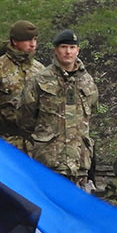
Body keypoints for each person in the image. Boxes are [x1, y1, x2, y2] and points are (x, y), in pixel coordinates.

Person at [17, 29, 98, 186]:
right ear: (55, 49)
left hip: (79, 164)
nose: (68, 52)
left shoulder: (87, 81)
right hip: (49, 162)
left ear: (78, 50)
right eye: (64, 47)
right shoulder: (40, 80)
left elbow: (90, 115)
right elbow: (24, 118)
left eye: (72, 48)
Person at [0, 20, 45, 153]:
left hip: (33, 144)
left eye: (35, 39)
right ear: (15, 41)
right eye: (28, 40)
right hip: (4, 141)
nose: (33, 44)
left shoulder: (40, 70)